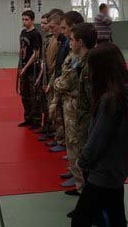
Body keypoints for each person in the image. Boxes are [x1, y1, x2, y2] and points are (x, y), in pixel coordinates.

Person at [71, 43, 128, 227]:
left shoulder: (111, 100)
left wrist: (83, 161)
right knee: (116, 215)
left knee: (80, 220)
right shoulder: (124, 91)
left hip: (105, 170)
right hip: (117, 165)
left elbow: (98, 139)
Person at [53, 21, 96, 196]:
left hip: (80, 112)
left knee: (79, 148)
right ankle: (80, 185)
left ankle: (85, 189)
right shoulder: (76, 59)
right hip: (74, 109)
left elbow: (63, 82)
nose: (69, 42)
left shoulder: (86, 62)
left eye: (72, 39)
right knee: (74, 147)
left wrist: (57, 83)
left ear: (80, 42)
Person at [47, 12, 69, 152]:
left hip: (64, 82)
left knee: (63, 114)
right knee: (58, 113)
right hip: (57, 78)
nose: (51, 30)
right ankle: (60, 138)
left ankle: (64, 141)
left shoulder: (66, 43)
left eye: (52, 27)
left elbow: (65, 66)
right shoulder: (60, 42)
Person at [17, 10, 43, 129]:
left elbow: (36, 54)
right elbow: (22, 49)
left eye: (27, 19)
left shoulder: (35, 34)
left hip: (32, 69)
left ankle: (36, 121)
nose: (24, 21)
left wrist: (26, 67)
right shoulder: (23, 32)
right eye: (23, 19)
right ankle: (28, 119)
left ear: (32, 20)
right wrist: (20, 66)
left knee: (34, 96)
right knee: (25, 95)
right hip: (23, 67)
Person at [36, 12, 53, 140]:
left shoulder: (53, 40)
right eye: (41, 23)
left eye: (45, 23)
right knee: (43, 102)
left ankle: (50, 129)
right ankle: (45, 126)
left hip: (50, 75)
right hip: (43, 74)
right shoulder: (45, 38)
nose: (42, 25)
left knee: (49, 102)